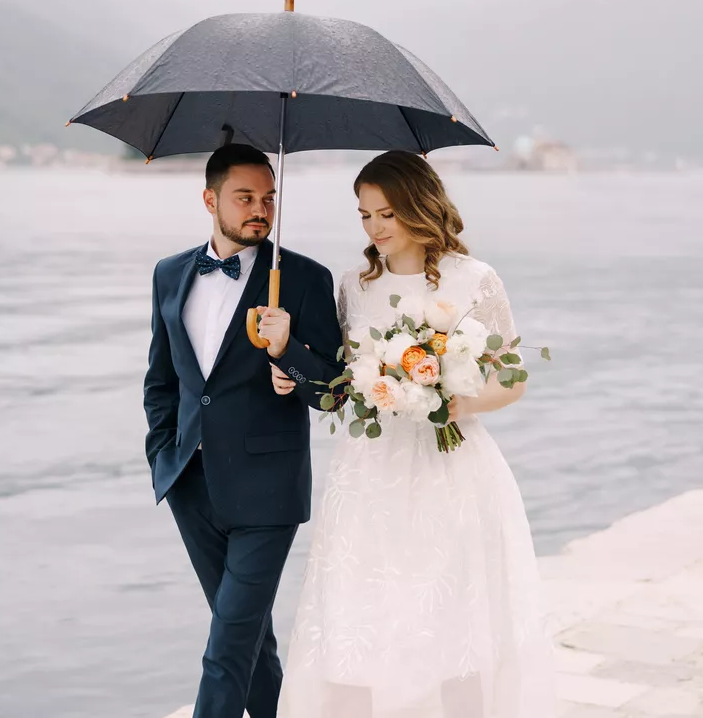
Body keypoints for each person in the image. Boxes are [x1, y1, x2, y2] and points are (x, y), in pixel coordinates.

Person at [270, 149, 554, 717]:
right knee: (364, 610)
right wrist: (289, 364)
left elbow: (513, 381)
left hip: (449, 470)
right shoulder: (354, 286)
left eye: (386, 214)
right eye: (364, 215)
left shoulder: (475, 279)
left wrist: (449, 402)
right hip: (369, 470)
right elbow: (344, 382)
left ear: (418, 209)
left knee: (449, 617)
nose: (374, 228)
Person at [144, 143, 344, 718]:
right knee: (248, 639)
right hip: (190, 482)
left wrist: (290, 352)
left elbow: (333, 390)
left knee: (227, 646)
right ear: (210, 200)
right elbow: (161, 379)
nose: (261, 209)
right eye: (246, 198)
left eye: (269, 198)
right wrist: (163, 451)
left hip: (268, 487)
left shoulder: (304, 279)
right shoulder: (169, 274)